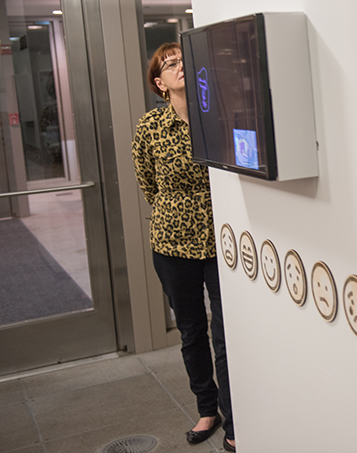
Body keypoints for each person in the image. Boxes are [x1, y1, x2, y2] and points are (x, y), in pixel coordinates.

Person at [131, 43, 236, 452]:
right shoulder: (149, 127)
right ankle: (207, 410)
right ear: (160, 83)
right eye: (170, 64)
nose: (179, 67)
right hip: (171, 244)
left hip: (219, 241)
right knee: (191, 331)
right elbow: (148, 184)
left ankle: (236, 419)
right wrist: (179, 211)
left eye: (183, 61)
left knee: (225, 334)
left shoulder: (218, 118)